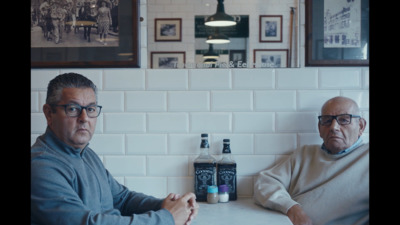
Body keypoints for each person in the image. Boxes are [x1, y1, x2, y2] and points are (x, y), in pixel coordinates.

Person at [31, 73, 199, 225]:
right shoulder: (41, 166)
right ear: (48, 113)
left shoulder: (86, 154)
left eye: (90, 109)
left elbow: (122, 199)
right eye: (73, 109)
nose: (84, 118)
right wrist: (167, 218)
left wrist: (166, 205)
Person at [254, 96, 368, 225]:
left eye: (343, 120)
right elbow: (264, 183)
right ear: (319, 128)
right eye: (327, 120)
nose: (334, 127)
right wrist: (292, 208)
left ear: (361, 126)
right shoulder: (304, 154)